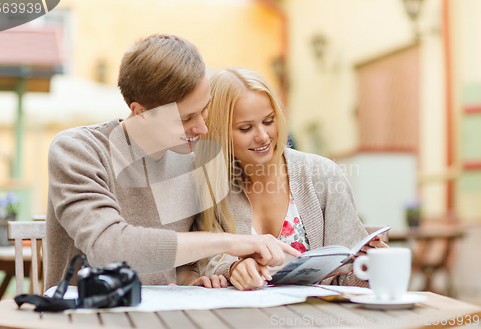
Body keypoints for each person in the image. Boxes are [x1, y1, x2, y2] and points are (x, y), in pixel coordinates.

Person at [44, 35, 299, 291]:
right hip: (87, 317)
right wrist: (228, 242)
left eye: (205, 109)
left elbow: (182, 263)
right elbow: (108, 248)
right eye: (185, 118)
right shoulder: (79, 150)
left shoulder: (192, 164)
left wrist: (190, 277)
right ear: (141, 112)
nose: (202, 127)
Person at [196, 67, 388, 290]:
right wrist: (231, 269)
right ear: (219, 132)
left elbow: (349, 278)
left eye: (269, 121)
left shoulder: (322, 175)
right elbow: (197, 261)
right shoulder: (208, 184)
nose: (263, 136)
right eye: (246, 128)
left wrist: (375, 266)